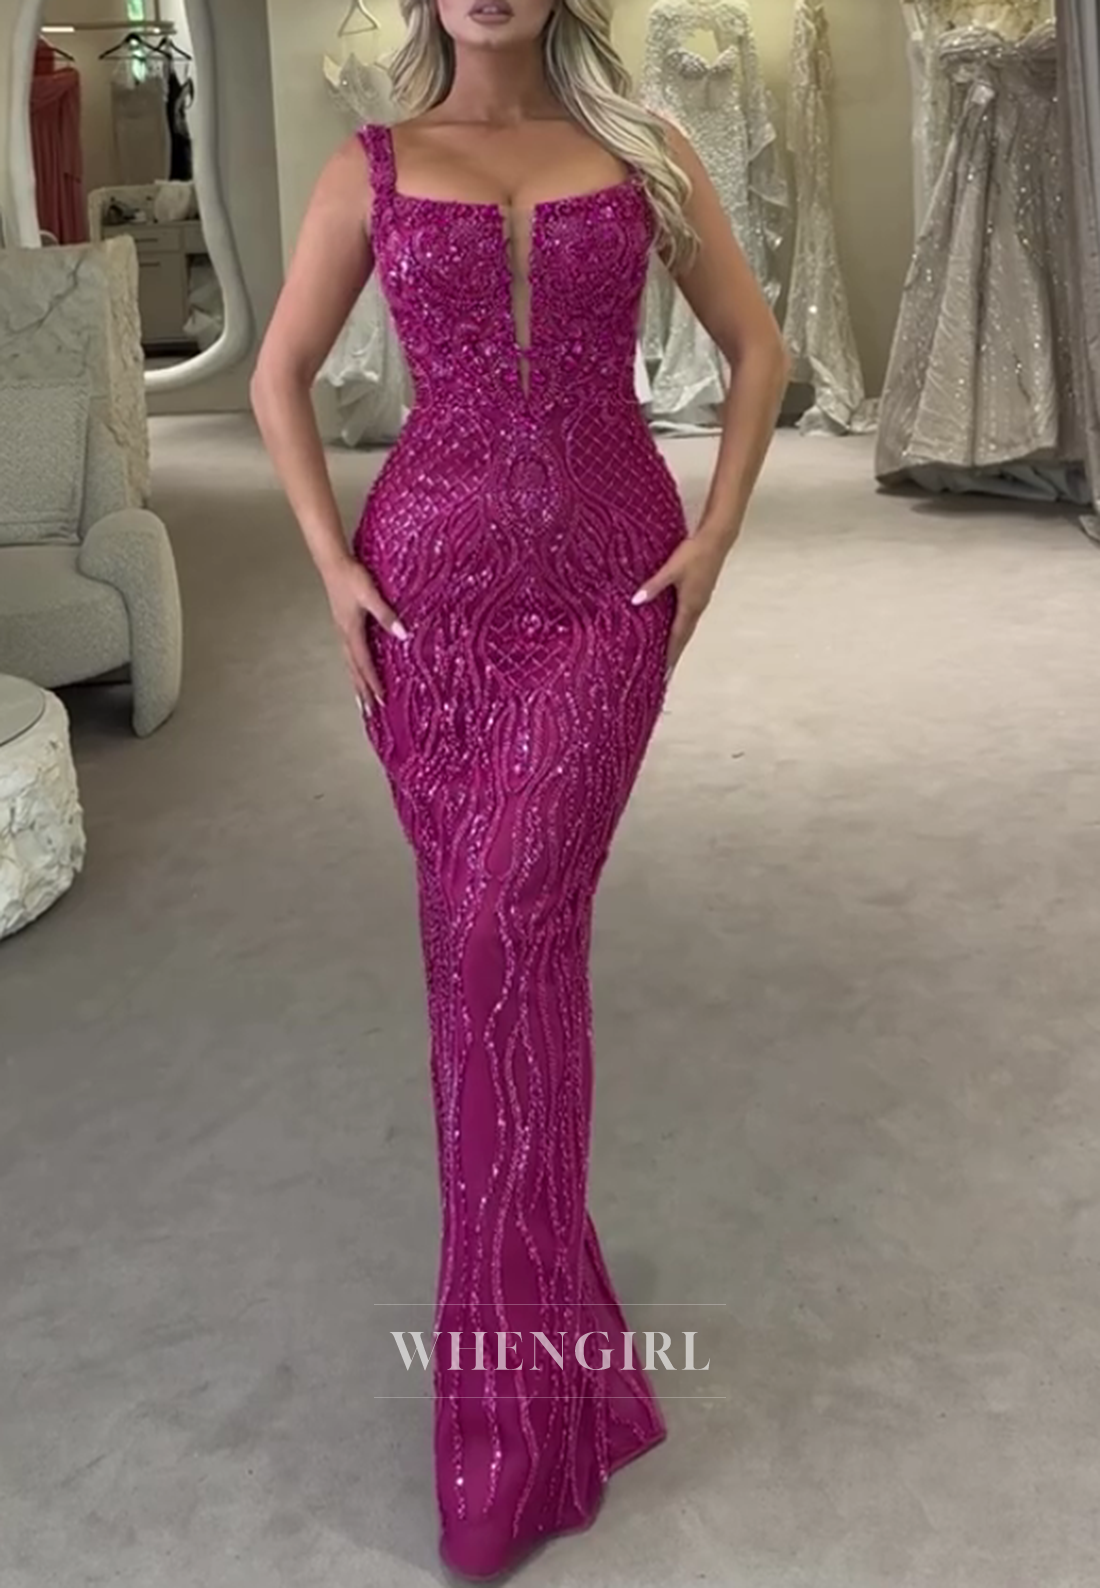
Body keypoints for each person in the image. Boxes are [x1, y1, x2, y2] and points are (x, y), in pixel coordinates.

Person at [250, 0, 789, 1576]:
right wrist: (331, 566)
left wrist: (716, 538)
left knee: (502, 934)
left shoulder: (644, 150)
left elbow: (758, 348)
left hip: (609, 595)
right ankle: (556, 1359)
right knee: (485, 963)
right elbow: (279, 375)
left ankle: (509, 1430)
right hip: (427, 605)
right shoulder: (368, 166)